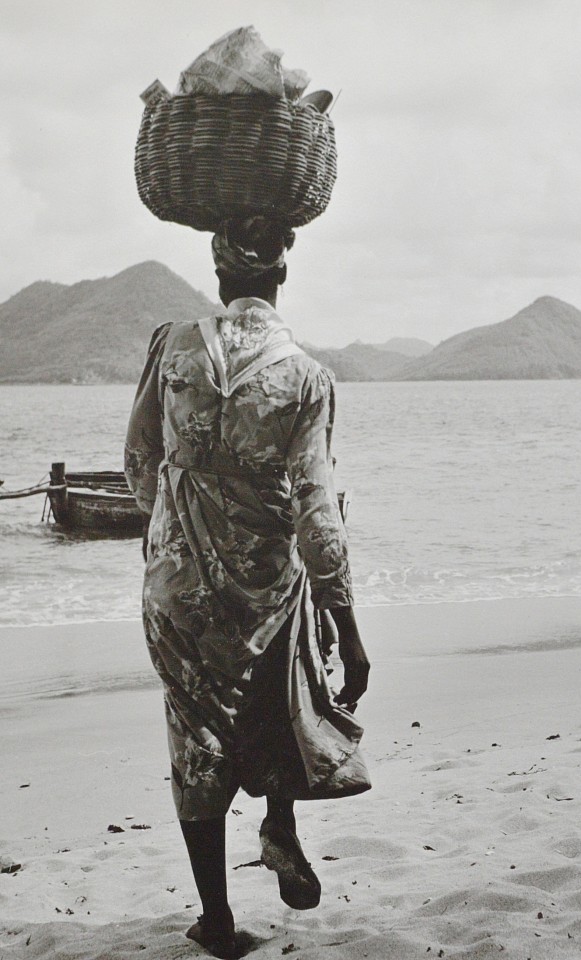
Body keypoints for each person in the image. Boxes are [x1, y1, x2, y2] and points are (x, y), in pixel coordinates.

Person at [124, 217, 370, 959]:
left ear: (216, 268)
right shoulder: (306, 377)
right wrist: (348, 626)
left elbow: (139, 462)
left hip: (178, 589)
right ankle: (281, 826)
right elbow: (316, 516)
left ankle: (218, 919)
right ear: (282, 275)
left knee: (195, 736)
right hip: (267, 587)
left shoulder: (171, 346)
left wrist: (178, 522)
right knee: (275, 699)